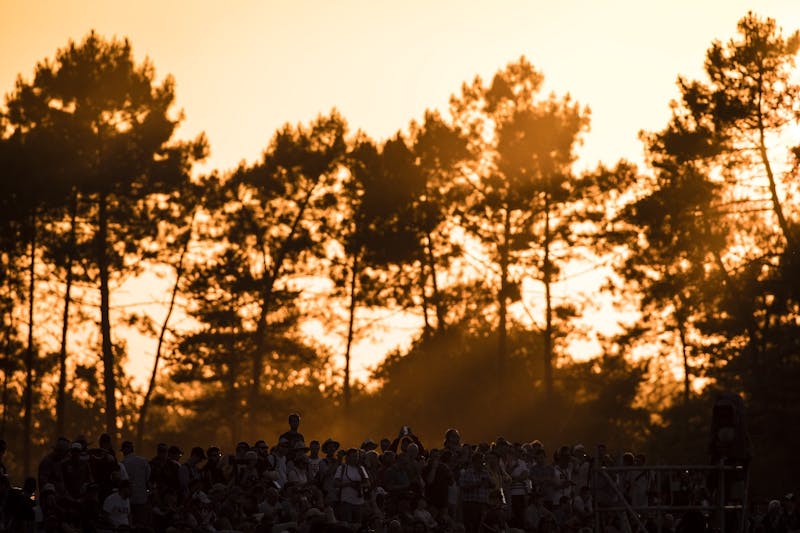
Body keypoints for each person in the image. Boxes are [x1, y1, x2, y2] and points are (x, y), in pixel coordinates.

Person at [334, 448, 369, 524]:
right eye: (353, 456)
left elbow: (368, 483)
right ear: (348, 457)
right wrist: (349, 484)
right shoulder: (342, 468)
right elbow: (336, 483)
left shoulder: (361, 468)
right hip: (346, 502)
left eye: (356, 456)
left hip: (359, 503)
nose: (355, 458)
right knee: (346, 525)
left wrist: (359, 486)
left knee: (358, 525)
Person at [120, 440, 151, 527]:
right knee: (141, 523)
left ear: (125, 450)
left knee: (130, 522)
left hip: (128, 498)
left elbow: (122, 481)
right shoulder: (143, 461)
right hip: (142, 497)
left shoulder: (122, 464)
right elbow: (148, 477)